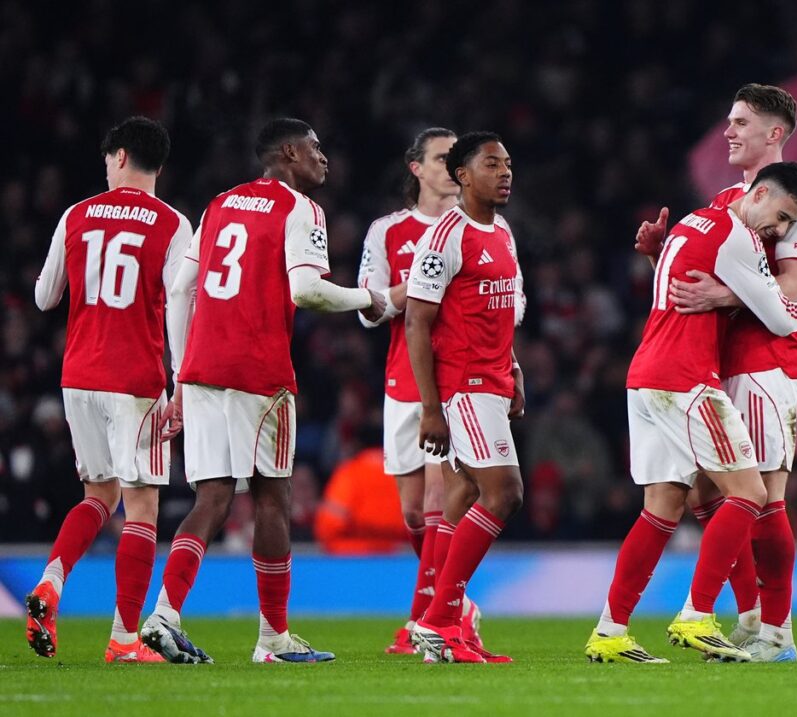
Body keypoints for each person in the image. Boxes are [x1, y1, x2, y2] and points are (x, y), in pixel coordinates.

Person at [139, 118, 386, 664]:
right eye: (317, 148)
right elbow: (306, 289)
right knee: (273, 496)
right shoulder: (300, 209)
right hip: (259, 373)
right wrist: (368, 297)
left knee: (213, 497)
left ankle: (163, 613)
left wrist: (181, 372)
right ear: (290, 152)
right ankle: (273, 639)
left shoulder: (220, 202)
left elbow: (179, 287)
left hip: (202, 370)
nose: (324, 158)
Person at [585, 162, 797, 664]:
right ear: (757, 195)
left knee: (662, 507)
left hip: (645, 376)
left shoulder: (694, 222)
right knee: (751, 492)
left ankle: (610, 630)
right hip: (686, 380)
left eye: (787, 226)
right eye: (778, 217)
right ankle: (697, 615)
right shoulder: (741, 238)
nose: (777, 231)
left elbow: (675, 292)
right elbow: (781, 314)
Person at [636, 84, 797, 662]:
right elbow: (701, 269)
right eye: (729, 120)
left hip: (768, 360)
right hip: (714, 362)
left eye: (741, 122)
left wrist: (726, 295)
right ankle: (749, 616)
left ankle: (778, 630)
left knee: (765, 496)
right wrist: (658, 255)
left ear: (774, 134)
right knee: (708, 491)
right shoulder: (725, 199)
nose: (729, 131)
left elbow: (794, 292)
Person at [28, 116, 192, 663]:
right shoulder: (172, 223)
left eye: (106, 158)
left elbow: (44, 297)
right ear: (156, 165)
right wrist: (181, 382)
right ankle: (123, 640)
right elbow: (178, 308)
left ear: (120, 157)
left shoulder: (76, 214)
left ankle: (52, 580)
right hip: (135, 380)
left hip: (78, 377)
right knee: (141, 507)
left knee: (98, 496)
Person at [357, 127, 481, 654]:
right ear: (417, 168)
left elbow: (509, 302)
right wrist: (421, 290)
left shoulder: (478, 227)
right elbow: (369, 307)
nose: (451, 167)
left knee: (438, 501)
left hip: (454, 382)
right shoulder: (387, 231)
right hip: (401, 379)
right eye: (441, 158)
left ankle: (424, 619)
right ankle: (457, 603)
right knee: (412, 513)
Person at [405, 132, 525, 663]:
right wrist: (431, 407)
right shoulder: (444, 238)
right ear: (462, 176)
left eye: (508, 163)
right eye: (491, 163)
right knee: (504, 493)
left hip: (496, 381)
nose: (505, 172)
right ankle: (438, 621)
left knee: (461, 498)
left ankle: (444, 628)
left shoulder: (502, 232)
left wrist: (515, 367)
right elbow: (416, 320)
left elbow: (500, 312)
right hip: (465, 386)